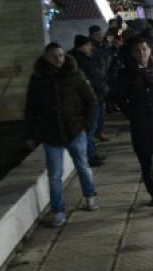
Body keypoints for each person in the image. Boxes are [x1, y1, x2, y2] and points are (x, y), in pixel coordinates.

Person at [24, 42, 99, 227]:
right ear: (46, 58)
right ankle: (58, 210)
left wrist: (87, 126)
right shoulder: (39, 79)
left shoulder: (75, 75)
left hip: (74, 129)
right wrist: (31, 133)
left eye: (61, 55)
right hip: (51, 133)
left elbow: (91, 100)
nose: (58, 59)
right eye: (54, 56)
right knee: (55, 175)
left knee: (83, 166)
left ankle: (90, 196)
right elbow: (31, 108)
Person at [115, 36, 153, 214]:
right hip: (141, 126)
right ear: (133, 53)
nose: (142, 53)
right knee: (146, 164)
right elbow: (120, 98)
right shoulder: (127, 73)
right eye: (138, 50)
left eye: (145, 49)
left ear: (150, 50)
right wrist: (133, 115)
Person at [68, 35, 105, 166]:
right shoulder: (79, 61)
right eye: (88, 45)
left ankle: (92, 153)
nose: (90, 47)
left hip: (96, 96)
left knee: (92, 128)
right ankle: (90, 156)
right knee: (90, 128)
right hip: (90, 98)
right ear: (82, 46)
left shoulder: (86, 58)